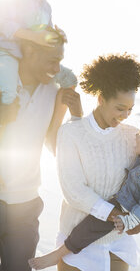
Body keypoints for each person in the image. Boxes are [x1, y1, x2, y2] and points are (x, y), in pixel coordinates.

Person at [31, 53, 140, 271]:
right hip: (75, 245)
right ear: (100, 99)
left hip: (116, 242)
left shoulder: (132, 136)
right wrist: (116, 215)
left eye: (130, 109)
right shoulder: (72, 133)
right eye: (120, 108)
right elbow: (74, 191)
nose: (126, 114)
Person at [29, 117, 140, 270]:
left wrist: (128, 221)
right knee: (89, 227)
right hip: (121, 201)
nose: (136, 135)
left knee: (88, 228)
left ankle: (56, 255)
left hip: (124, 209)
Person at [0, 27, 82, 271]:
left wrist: (76, 116)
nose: (58, 69)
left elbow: (54, 144)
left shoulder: (54, 93)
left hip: (25, 205)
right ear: (29, 51)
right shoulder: (3, 80)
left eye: (60, 61)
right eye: (52, 60)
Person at [0, 0, 77, 125]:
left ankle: (52, 129)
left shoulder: (46, 6)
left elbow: (45, 31)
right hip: (8, 52)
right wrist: (32, 36)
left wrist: (57, 36)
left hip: (33, 58)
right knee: (9, 94)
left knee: (70, 79)